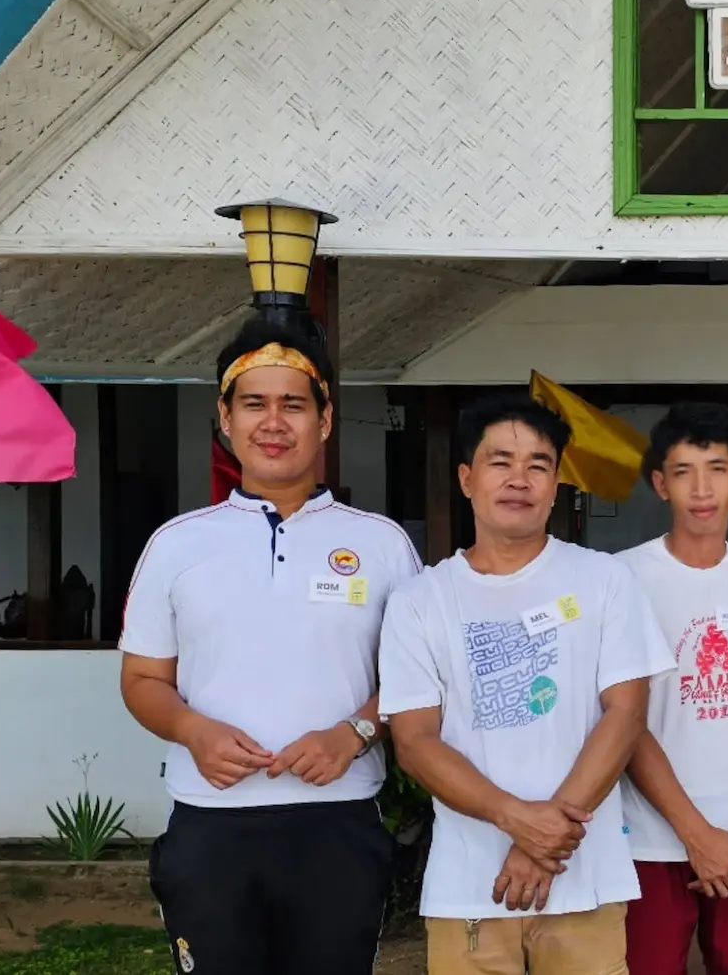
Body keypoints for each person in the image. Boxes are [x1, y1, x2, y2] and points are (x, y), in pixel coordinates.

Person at [120, 314, 421, 975]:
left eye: (294, 404)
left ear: (326, 419)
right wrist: (194, 730)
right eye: (254, 403)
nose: (274, 422)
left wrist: (355, 733)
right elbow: (142, 680)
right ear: (225, 419)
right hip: (210, 825)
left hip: (338, 823)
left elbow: (419, 675)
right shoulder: (178, 544)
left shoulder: (381, 544)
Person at [379, 395, 675, 975]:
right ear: (466, 478)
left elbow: (626, 714)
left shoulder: (604, 580)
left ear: (557, 482)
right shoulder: (421, 600)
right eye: (501, 462)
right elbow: (415, 741)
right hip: (471, 887)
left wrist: (545, 838)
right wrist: (515, 819)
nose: (520, 479)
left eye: (538, 464)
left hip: (585, 881)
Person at [618, 402, 728, 975]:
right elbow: (622, 721)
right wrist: (695, 834)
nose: (702, 489)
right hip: (648, 839)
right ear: (659, 483)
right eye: (683, 471)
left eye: (717, 469)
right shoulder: (621, 580)